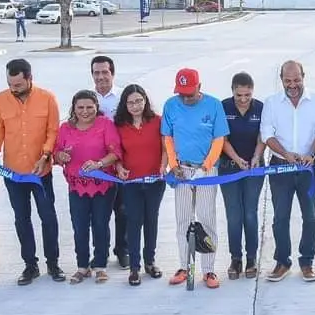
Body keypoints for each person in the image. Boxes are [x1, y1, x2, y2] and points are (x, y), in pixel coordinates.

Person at [0, 58, 65, 285]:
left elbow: (53, 131)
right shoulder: (1, 99)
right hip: (13, 173)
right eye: (10, 84)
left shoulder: (47, 98)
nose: (13, 89)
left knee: (48, 217)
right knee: (22, 219)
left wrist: (46, 155)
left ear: (30, 78)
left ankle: (53, 263)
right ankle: (30, 265)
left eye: (18, 85)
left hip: (41, 172)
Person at [260, 60, 315, 282]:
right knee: (280, 217)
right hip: (281, 166)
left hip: (309, 168)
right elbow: (267, 134)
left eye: (296, 79)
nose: (292, 85)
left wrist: (310, 153)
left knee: (311, 216)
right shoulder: (271, 103)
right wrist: (286, 154)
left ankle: (307, 262)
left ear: (303, 76)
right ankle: (282, 262)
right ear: (281, 80)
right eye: (288, 80)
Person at [161, 68, 229, 289]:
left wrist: (206, 165)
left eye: (190, 93)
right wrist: (173, 165)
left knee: (206, 218)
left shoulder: (214, 105)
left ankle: (208, 269)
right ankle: (184, 265)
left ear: (200, 87)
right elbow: (168, 138)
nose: (185, 98)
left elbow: (219, 139)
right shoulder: (171, 105)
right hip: (182, 170)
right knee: (183, 219)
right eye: (182, 93)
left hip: (206, 171)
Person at [54, 91, 121, 283]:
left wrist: (99, 163)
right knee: (80, 226)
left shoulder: (105, 124)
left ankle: (100, 265)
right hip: (76, 186)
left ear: (96, 107)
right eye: (80, 107)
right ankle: (82, 266)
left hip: (103, 185)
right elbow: (56, 152)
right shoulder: (65, 128)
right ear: (73, 108)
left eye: (90, 107)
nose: (85, 111)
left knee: (100, 224)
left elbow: (115, 151)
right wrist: (61, 156)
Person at [114, 84, 167, 285]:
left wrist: (164, 166)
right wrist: (119, 167)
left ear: (145, 101)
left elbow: (165, 148)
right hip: (131, 183)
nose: (135, 106)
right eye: (130, 102)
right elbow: (116, 152)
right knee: (134, 221)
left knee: (151, 220)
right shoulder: (119, 125)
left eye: (138, 101)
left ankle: (150, 262)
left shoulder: (158, 121)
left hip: (155, 181)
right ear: (124, 104)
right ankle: (134, 267)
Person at [220, 72, 266, 280]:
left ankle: (251, 258)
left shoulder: (260, 108)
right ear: (232, 91)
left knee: (250, 212)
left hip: (254, 168)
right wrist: (238, 160)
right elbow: (222, 139)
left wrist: (257, 156)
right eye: (239, 95)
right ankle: (235, 258)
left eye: (247, 95)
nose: (243, 99)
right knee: (233, 214)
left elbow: (263, 136)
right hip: (230, 167)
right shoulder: (224, 107)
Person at [91, 55, 126, 268]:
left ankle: (123, 250)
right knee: (99, 214)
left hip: (121, 163)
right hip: (97, 166)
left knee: (123, 210)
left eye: (105, 72)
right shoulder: (86, 99)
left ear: (112, 73)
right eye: (96, 73)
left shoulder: (124, 97)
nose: (101, 77)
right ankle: (100, 253)